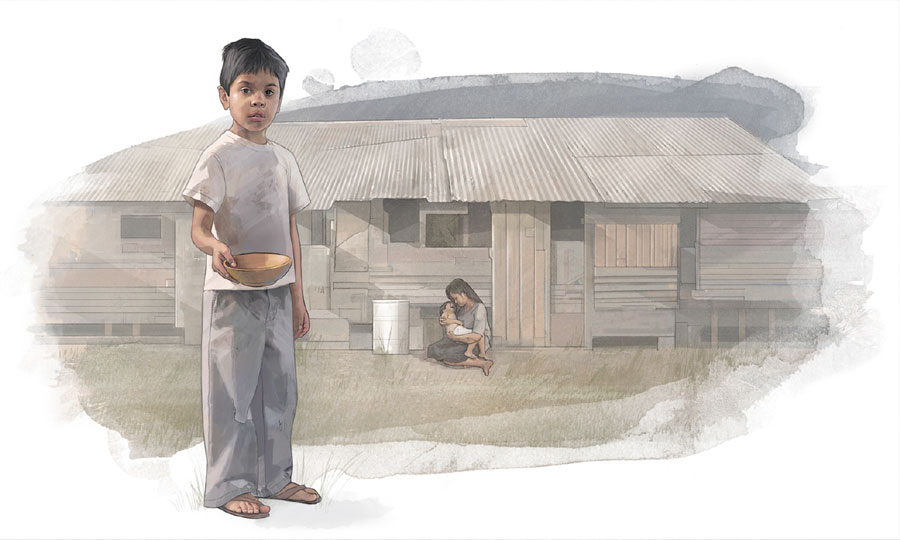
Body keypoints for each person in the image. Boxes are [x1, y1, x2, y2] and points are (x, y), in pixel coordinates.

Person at [182, 38, 320, 519]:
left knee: (279, 390)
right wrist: (216, 247)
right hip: (232, 293)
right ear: (225, 97)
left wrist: (299, 298)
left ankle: (274, 477)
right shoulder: (217, 156)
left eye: (270, 91)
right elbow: (199, 229)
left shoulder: (284, 161)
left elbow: (290, 233)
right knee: (232, 392)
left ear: (280, 98)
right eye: (247, 89)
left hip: (279, 291)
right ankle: (228, 485)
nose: (259, 101)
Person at [425, 278, 494, 376]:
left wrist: (454, 337)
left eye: (456, 298)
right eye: (453, 300)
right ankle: (462, 358)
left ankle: (482, 363)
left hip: (474, 343)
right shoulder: (460, 308)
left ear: (464, 293)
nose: (455, 302)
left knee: (449, 356)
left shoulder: (479, 308)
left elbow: (477, 336)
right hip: (461, 340)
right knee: (432, 348)